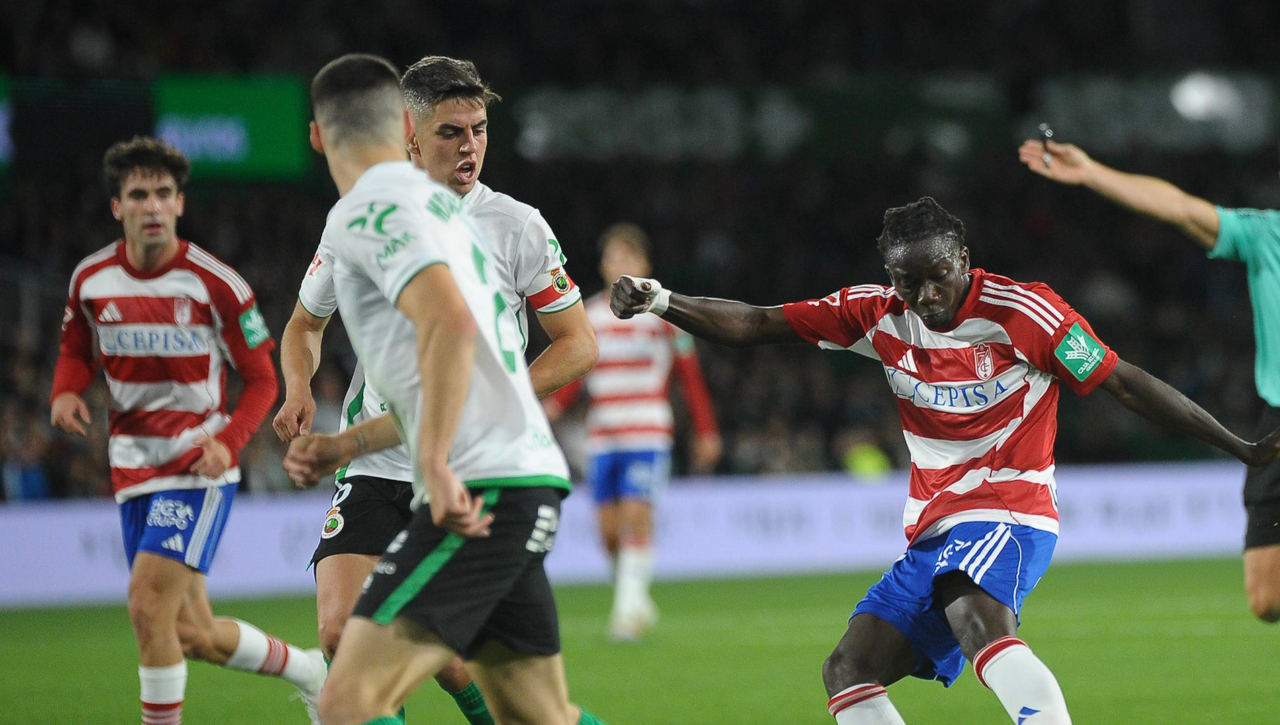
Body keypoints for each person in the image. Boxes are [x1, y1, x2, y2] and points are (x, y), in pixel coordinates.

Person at [610, 196, 1280, 725]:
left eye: (938, 276)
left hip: (1012, 508)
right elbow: (756, 323)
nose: (927, 296)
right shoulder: (876, 315)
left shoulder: (1026, 313)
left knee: (972, 612)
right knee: (848, 668)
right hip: (936, 525)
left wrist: (1241, 447)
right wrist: (663, 300)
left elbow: (1127, 382)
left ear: (963, 257)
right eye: (909, 282)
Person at [272, 55, 596, 725]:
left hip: (477, 478)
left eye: (479, 128)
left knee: (349, 699)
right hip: (497, 475)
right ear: (405, 129)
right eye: (452, 130)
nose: (470, 144)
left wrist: (435, 460)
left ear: (315, 136)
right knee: (539, 715)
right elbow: (315, 325)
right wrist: (343, 436)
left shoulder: (394, 209)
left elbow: (451, 327)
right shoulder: (418, 210)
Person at [49, 137, 325, 725]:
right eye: (139, 194)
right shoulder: (91, 280)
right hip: (131, 467)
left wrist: (227, 442)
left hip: (197, 467)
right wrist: (64, 390)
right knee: (191, 632)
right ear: (116, 207)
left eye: (164, 194)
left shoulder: (215, 283)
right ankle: (310, 671)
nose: (152, 205)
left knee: (147, 607)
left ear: (180, 204)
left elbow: (261, 381)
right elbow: (75, 347)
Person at [1018, 138, 1280, 623]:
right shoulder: (1270, 234)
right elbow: (1180, 208)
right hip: (1275, 425)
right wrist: (1094, 171)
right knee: (1266, 600)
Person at [544, 223, 720, 640]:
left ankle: (626, 613)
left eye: (629, 257)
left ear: (644, 265)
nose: (620, 264)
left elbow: (689, 376)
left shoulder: (664, 317)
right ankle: (636, 597)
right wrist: (550, 403)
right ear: (604, 266)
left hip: (648, 433)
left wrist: (706, 431)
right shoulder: (589, 315)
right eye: (613, 257)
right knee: (607, 533)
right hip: (603, 436)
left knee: (636, 520)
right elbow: (575, 372)